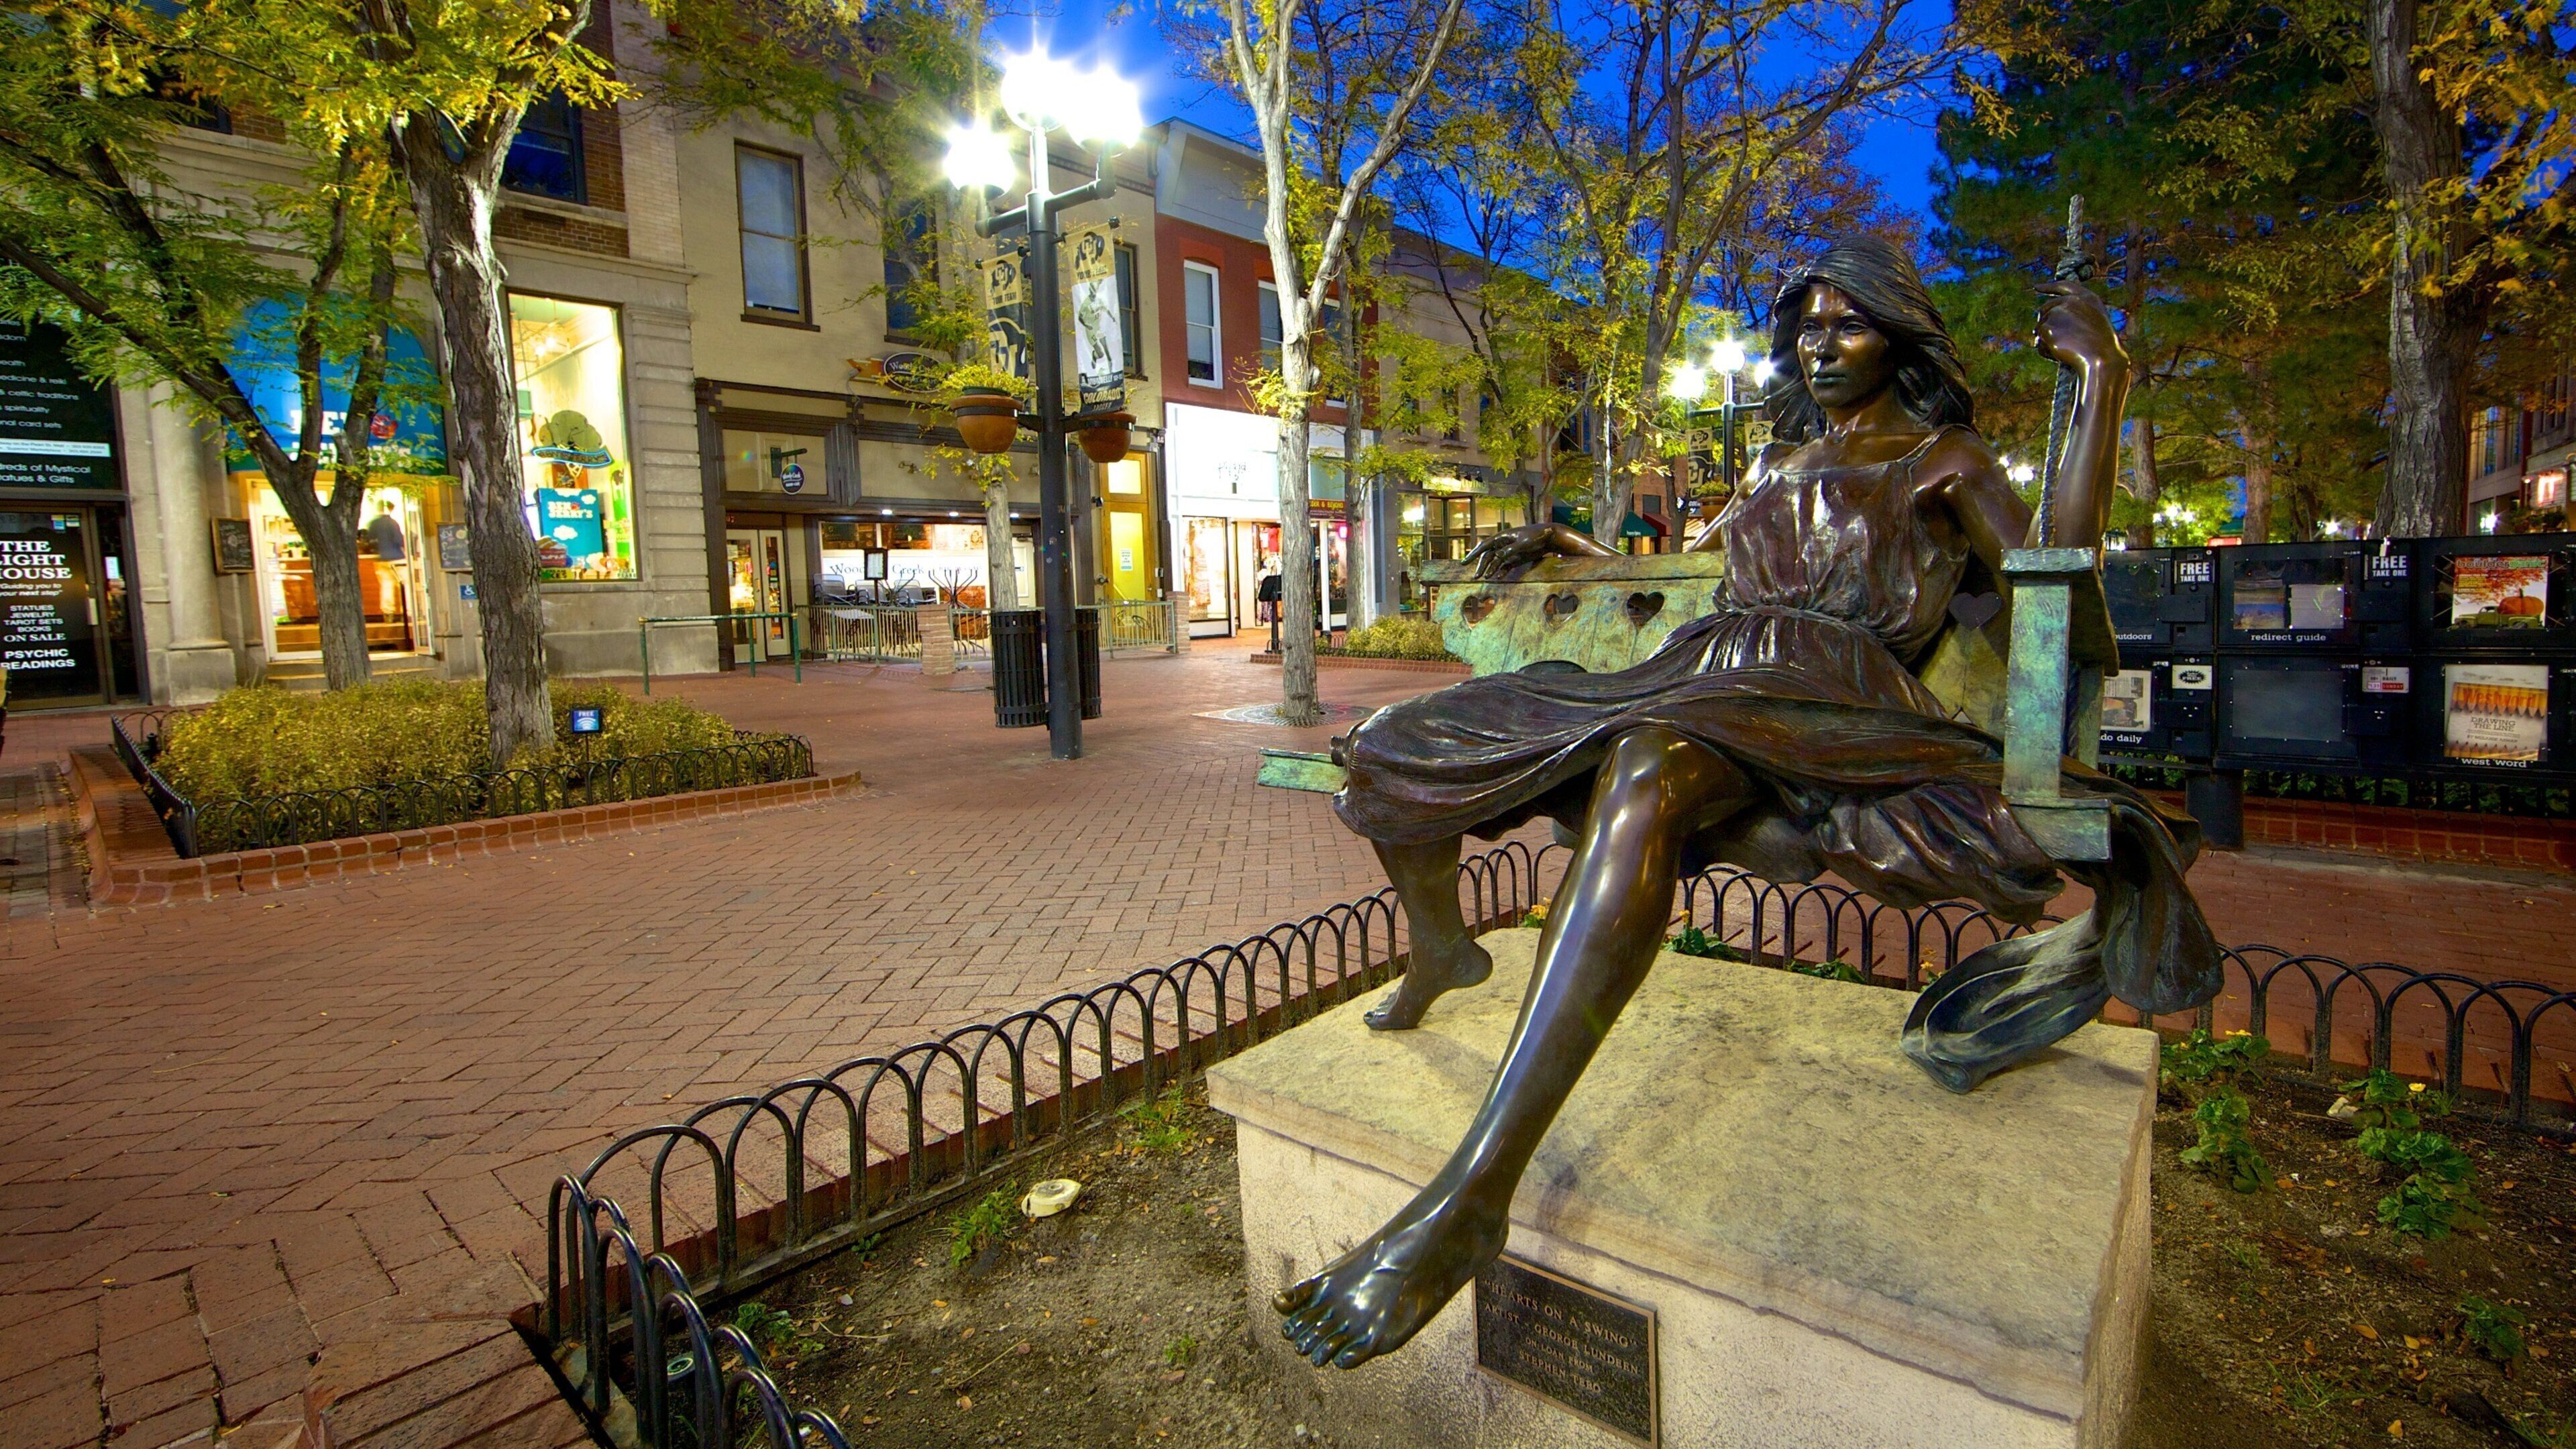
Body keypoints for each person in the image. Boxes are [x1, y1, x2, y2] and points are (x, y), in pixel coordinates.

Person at [1277, 236, 2222, 1371]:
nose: (1821, 346)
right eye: (1806, 327)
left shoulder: (1945, 459)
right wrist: (1567, 543)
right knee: (1400, 737)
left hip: (1828, 696)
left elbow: (2056, 577)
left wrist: (2100, 383)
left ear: (1899, 335)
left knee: (1639, 764)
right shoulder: (1777, 465)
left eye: (1848, 324)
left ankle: (1474, 1192)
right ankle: (1444, 952)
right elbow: (1702, 565)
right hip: (1702, 670)